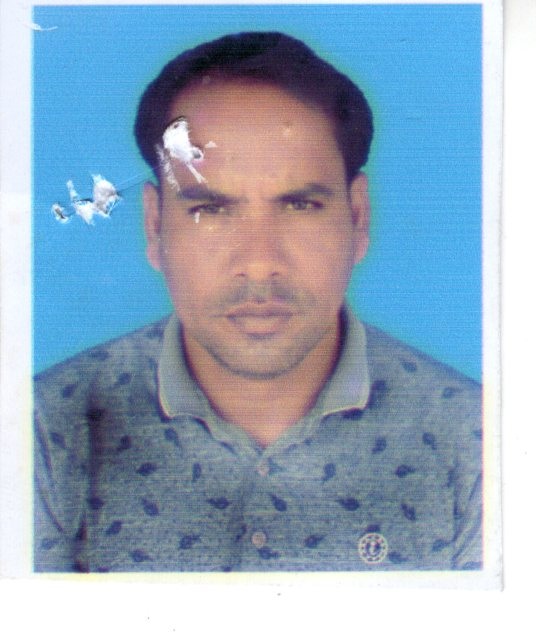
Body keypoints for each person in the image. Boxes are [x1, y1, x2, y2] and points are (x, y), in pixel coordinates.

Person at [34, 32, 482, 573]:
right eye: (210, 210)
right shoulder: (44, 430)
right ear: (154, 227)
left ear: (358, 218)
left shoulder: (477, 439)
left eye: (300, 205)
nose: (260, 263)